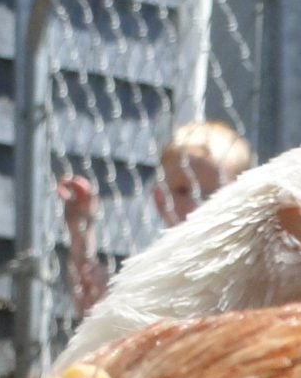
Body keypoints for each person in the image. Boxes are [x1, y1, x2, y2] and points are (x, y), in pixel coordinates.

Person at [56, 120, 255, 319]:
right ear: (160, 199)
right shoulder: (155, 268)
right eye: (182, 190)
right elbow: (93, 315)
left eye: (212, 194)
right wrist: (81, 234)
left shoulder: (246, 268)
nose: (196, 204)